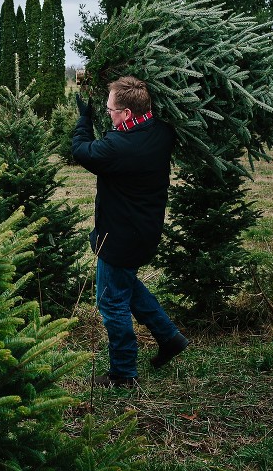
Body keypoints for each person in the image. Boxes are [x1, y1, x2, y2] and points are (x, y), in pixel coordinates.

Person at [72, 75, 188, 388]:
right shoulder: (162, 131)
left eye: (111, 110)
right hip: (145, 231)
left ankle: (123, 373)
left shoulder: (119, 147)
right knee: (125, 285)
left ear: (126, 114)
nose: (108, 114)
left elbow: (83, 151)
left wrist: (83, 120)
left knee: (111, 303)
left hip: (119, 236)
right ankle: (169, 337)